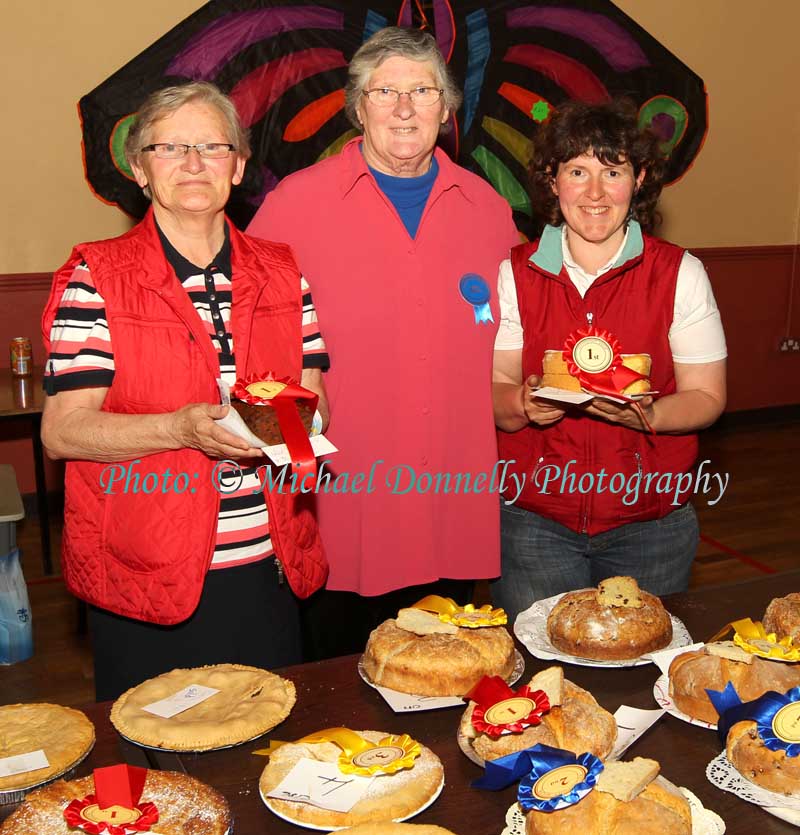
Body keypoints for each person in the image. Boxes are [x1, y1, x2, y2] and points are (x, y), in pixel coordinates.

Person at [41, 82, 330, 700]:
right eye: (170, 147)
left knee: (269, 751)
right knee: (160, 767)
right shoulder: (97, 276)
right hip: (146, 579)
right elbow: (63, 431)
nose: (193, 163)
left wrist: (283, 425)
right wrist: (182, 429)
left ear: (240, 166)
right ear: (141, 170)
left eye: (212, 146)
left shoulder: (284, 271)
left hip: (269, 567)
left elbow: (314, 399)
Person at [248, 27, 519, 658]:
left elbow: (517, 334)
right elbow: (249, 334)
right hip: (346, 499)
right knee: (340, 683)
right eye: (385, 91)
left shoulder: (489, 209)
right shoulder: (295, 204)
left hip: (454, 493)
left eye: (422, 90)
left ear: (447, 109)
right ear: (357, 105)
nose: (403, 108)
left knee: (450, 674)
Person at [491, 99, 727, 621]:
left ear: (639, 179)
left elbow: (708, 398)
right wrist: (524, 403)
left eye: (612, 171)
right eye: (577, 171)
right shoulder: (516, 273)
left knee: (642, 673)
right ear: (553, 182)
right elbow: (497, 390)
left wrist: (652, 414)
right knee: (542, 677)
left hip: (651, 525)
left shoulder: (680, 273)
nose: (595, 193)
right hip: (535, 524)